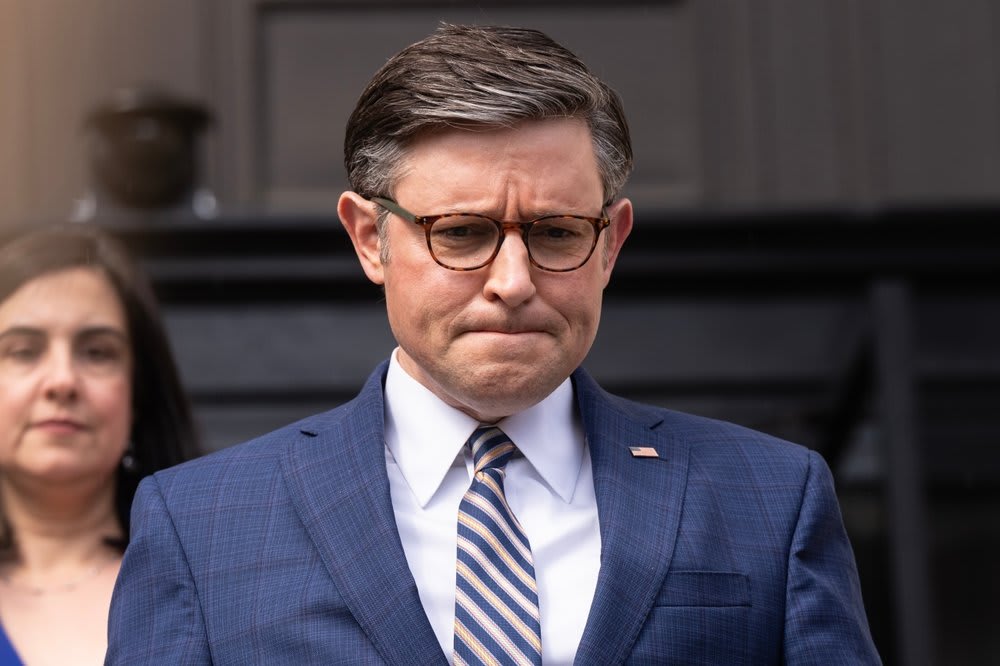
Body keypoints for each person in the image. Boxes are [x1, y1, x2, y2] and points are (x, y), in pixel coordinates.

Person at [106, 23, 880, 665]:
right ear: (369, 238)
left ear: (610, 243)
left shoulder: (770, 499)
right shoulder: (201, 524)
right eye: (463, 233)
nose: (513, 280)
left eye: (555, 232)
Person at [0, 223, 199, 665]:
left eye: (97, 353)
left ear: (137, 394)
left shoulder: (216, 582)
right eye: (23, 351)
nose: (62, 381)